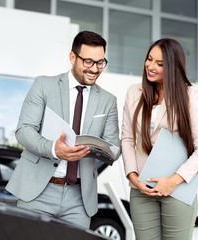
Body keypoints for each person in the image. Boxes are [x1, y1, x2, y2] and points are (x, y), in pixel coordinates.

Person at [6, 31, 120, 228]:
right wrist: (53, 149)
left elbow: (114, 147)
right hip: (38, 191)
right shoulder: (44, 85)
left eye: (100, 62)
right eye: (88, 62)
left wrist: (100, 150)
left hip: (79, 198)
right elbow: (24, 130)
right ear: (72, 57)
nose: (94, 69)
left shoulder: (108, 101)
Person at [121, 38, 198, 239]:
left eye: (160, 64)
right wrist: (133, 177)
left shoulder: (188, 94)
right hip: (142, 189)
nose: (150, 66)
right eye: (149, 59)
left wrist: (173, 181)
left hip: (177, 188)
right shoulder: (134, 92)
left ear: (172, 67)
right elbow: (127, 139)